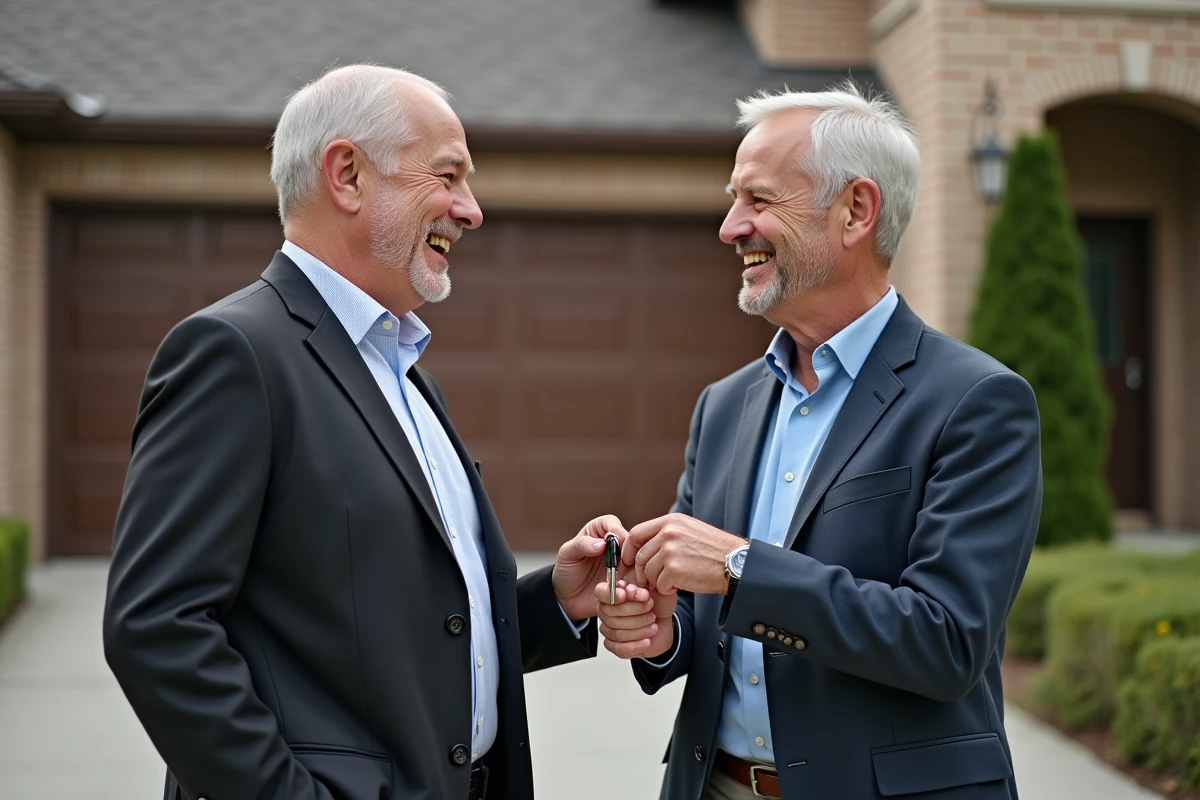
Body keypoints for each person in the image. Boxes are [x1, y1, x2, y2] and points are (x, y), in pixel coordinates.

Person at [102, 64, 620, 800]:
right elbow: (157, 627)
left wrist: (555, 603)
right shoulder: (235, 354)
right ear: (347, 175)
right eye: (448, 176)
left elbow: (404, 625)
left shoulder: (406, 374)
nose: (470, 211)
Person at [596, 84, 1042, 800]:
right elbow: (701, 609)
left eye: (759, 200)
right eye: (733, 200)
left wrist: (740, 567)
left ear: (856, 211)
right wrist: (659, 630)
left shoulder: (977, 401)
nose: (730, 227)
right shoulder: (724, 406)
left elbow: (947, 641)